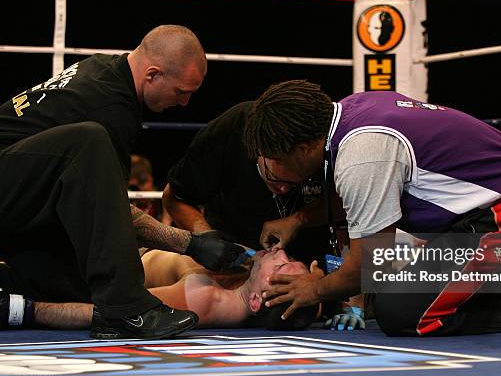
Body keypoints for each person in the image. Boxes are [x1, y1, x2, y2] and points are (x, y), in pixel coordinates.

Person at [243, 80, 501, 337]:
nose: (271, 170)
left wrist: (315, 289)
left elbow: (369, 265)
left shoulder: (361, 155)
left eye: (274, 159)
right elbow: (358, 202)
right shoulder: (351, 111)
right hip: (480, 210)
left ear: (305, 146)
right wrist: (297, 219)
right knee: (400, 276)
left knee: (403, 312)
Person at [0, 25, 244, 339]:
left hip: (20, 194)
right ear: (153, 74)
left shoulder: (107, 69)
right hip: (13, 188)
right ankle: (127, 309)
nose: (184, 103)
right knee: (89, 141)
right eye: (182, 91)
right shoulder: (108, 107)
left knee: (77, 290)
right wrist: (190, 243)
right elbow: (110, 210)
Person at [163, 101, 332, 264]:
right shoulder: (230, 131)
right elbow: (175, 197)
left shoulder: (328, 143)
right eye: (275, 177)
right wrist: (207, 240)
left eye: (296, 183)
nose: (282, 189)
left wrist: (299, 219)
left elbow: (350, 203)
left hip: (315, 266)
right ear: (259, 150)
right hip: (233, 264)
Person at [0, 249, 319, 331]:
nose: (280, 253)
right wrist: (327, 300)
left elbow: (113, 314)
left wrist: (24, 311)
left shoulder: (204, 299)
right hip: (96, 268)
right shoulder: (229, 286)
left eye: (280, 265)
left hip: (64, 279)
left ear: (255, 300)